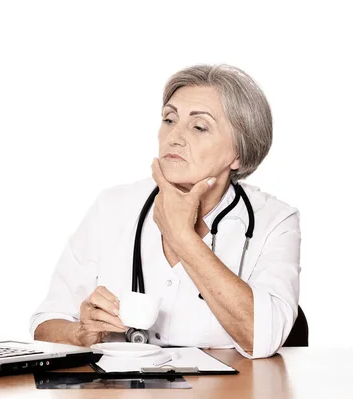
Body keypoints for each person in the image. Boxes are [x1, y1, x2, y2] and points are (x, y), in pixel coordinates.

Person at [29, 64, 301, 359]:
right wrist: (79, 334)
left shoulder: (275, 221)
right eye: (169, 120)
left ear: (238, 152)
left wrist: (182, 237)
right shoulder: (112, 207)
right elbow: (45, 324)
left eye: (199, 126)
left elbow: (263, 339)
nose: (174, 136)